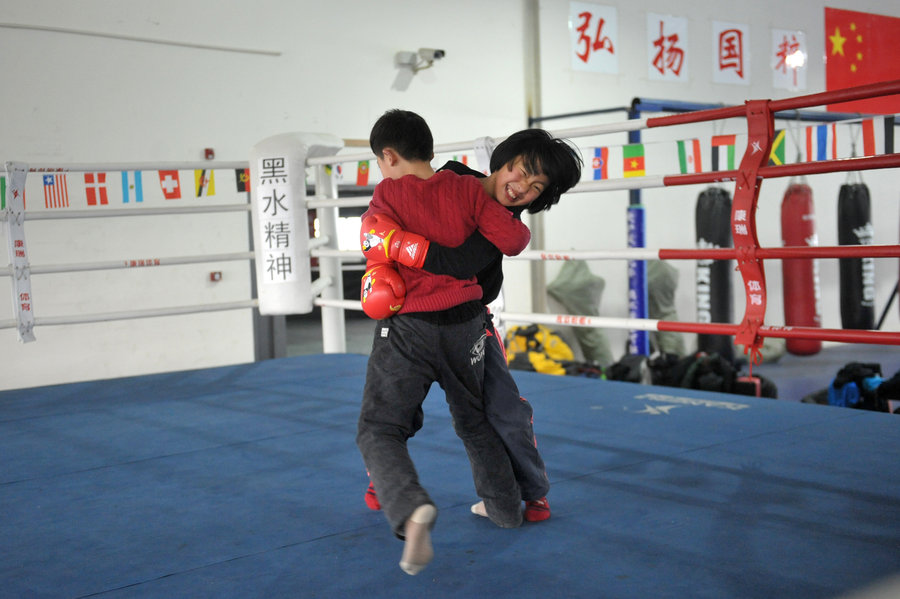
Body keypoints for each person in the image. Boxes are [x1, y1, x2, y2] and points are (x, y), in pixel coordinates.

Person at [363, 128, 583, 523]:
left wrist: (398, 246)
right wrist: (387, 252)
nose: (521, 188)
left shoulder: (496, 211)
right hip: (435, 317)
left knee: (500, 411)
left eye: (536, 187)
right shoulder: (453, 180)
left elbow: (461, 262)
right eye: (521, 172)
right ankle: (388, 480)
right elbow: (389, 219)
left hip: (467, 319)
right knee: (410, 413)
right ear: (504, 160)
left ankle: (530, 491)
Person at [356, 109, 532, 576]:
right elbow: (513, 238)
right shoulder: (468, 189)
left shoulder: (387, 194)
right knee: (475, 421)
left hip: (410, 326)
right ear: (430, 150)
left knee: (380, 427)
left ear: (388, 156)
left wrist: (399, 250)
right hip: (468, 323)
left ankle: (410, 508)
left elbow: (371, 241)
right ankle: (504, 509)